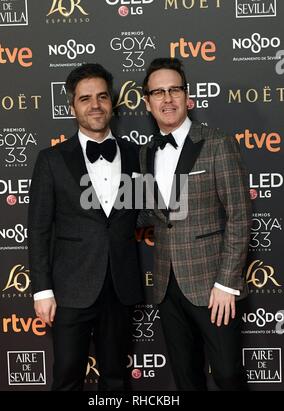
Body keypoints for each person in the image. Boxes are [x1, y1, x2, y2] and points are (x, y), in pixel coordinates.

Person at [28, 63, 143, 391]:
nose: (95, 105)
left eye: (102, 97)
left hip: (120, 287)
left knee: (116, 378)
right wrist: (42, 289)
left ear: (112, 102)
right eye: (85, 98)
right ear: (72, 106)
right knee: (66, 378)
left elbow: (150, 212)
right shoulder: (50, 160)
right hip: (69, 290)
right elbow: (38, 230)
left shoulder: (136, 155)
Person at [139, 57, 252, 390]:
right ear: (147, 102)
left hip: (212, 285)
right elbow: (155, 215)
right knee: (186, 379)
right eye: (158, 92)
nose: (167, 98)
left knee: (228, 376)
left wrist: (227, 283)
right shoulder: (146, 153)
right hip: (165, 286)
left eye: (174, 89)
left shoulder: (217, 143)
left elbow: (240, 216)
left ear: (188, 96)